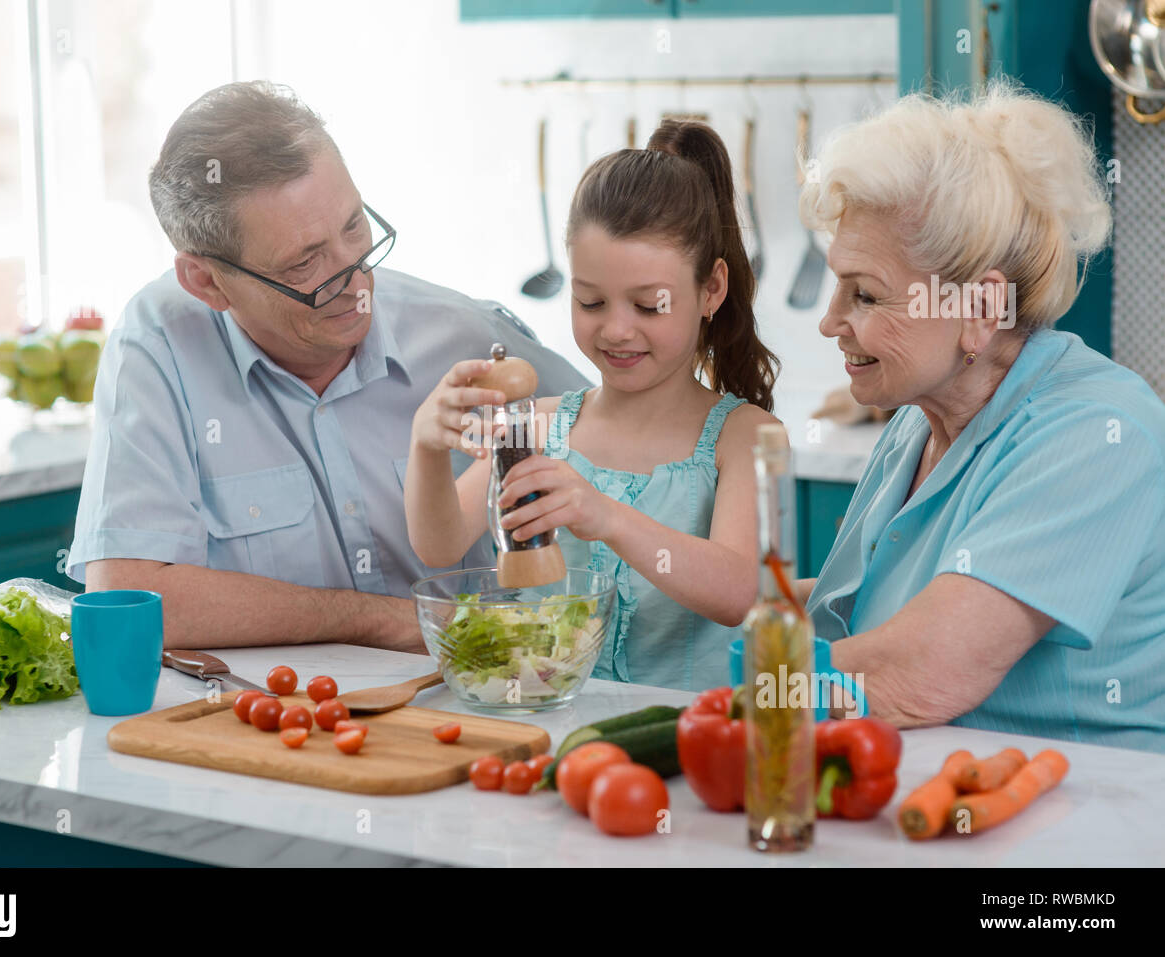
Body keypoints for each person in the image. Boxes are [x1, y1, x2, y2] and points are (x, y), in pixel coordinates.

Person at [66, 81, 587, 651]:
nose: (355, 282)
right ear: (207, 282)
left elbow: (644, 434)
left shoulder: (464, 335)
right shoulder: (159, 346)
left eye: (354, 228)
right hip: (280, 719)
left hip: (482, 697)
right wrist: (384, 620)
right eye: (304, 263)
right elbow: (128, 599)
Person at [797, 83, 1165, 752]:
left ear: (979, 309)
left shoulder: (1100, 433)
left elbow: (920, 671)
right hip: (917, 792)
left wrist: (746, 689)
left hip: (1078, 818)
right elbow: (859, 609)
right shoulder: (916, 424)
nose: (830, 322)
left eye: (865, 294)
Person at [406, 119, 781, 691]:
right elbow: (438, 544)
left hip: (690, 744)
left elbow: (737, 594)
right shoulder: (539, 424)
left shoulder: (744, 436)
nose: (616, 329)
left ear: (712, 290)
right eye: (591, 301)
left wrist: (605, 515)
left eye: (648, 306)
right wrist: (427, 445)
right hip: (547, 723)